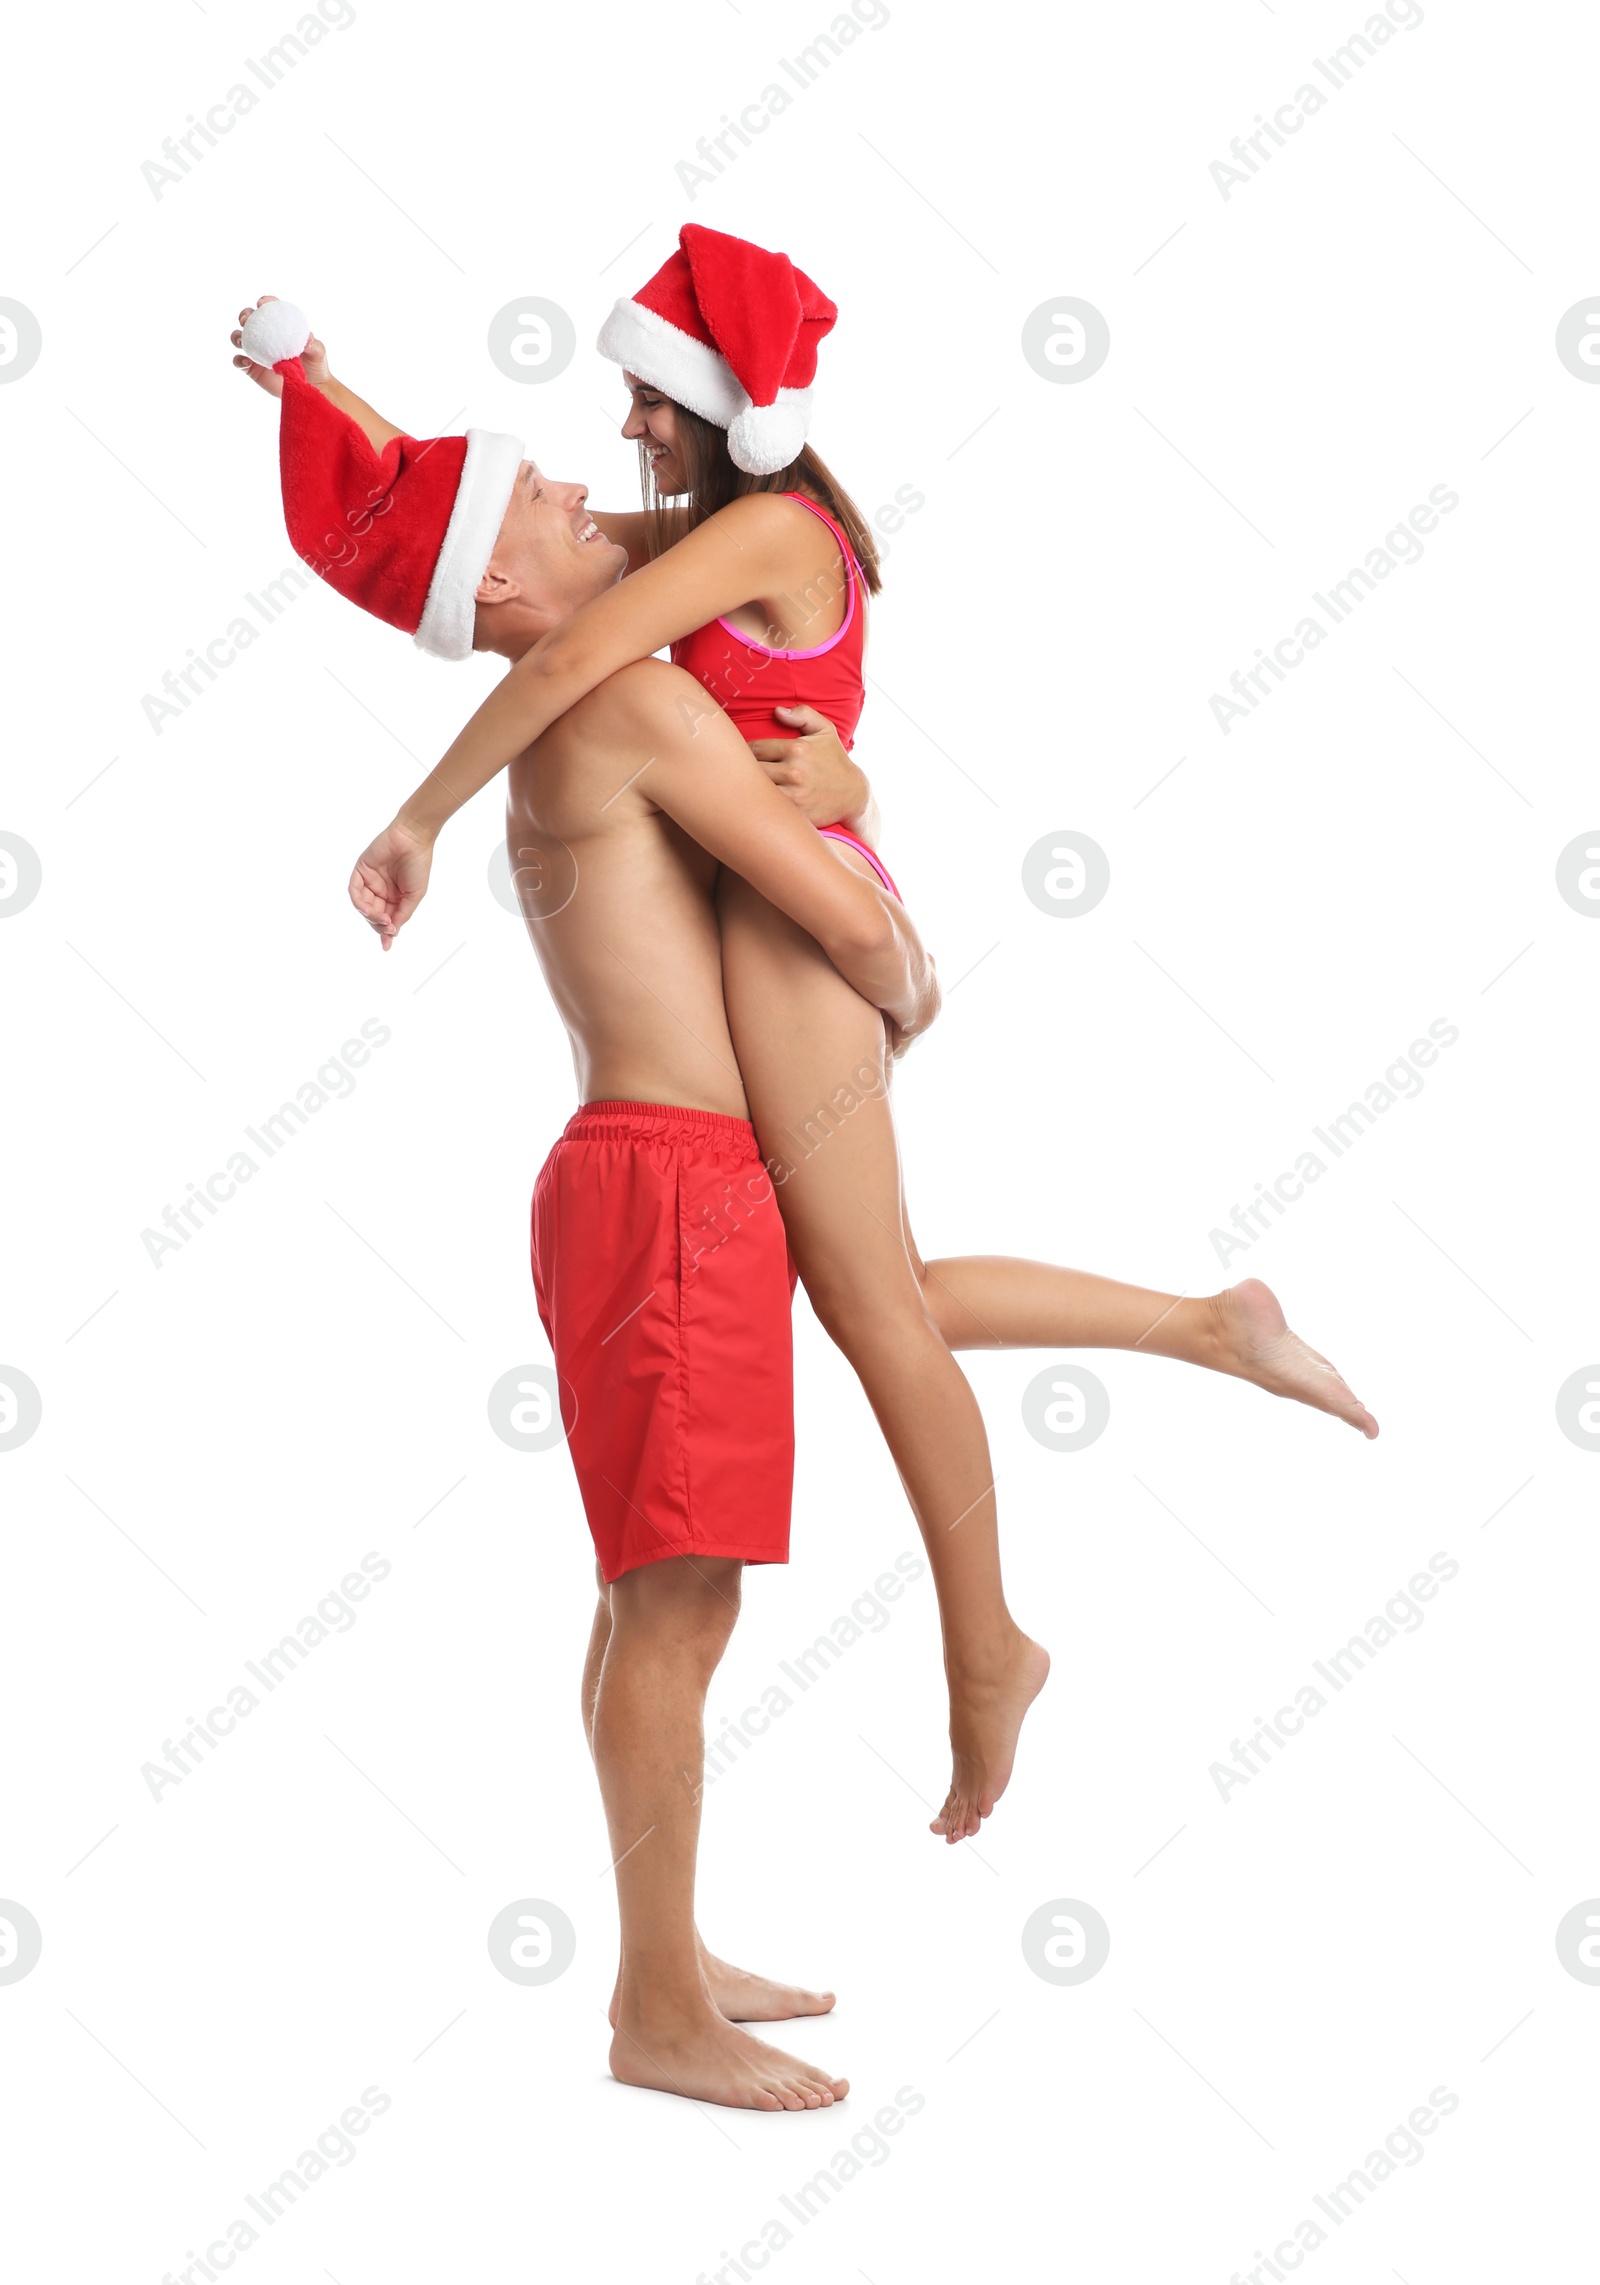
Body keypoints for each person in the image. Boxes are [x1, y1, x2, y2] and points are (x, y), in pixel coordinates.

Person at [275, 226, 1378, 1848]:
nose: (619, 448)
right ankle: (1208, 1324)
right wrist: (314, 380)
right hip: (787, 906)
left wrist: (419, 815)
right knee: (883, 1285)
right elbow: (462, 539)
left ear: (713, 405)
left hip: (799, 929)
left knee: (873, 1313)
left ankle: (987, 1643)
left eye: (645, 407)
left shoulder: (760, 528)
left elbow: (560, 620)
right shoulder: (723, 525)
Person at [233, 296, 947, 2109]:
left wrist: (325, 386)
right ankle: (652, 2009)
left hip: (644, 1187)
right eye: (541, 508)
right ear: (513, 599)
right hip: (675, 1194)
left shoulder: (595, 684)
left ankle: (668, 1948)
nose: (573, 479)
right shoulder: (619, 698)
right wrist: (911, 971)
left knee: (650, 1601)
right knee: (680, 1603)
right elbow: (841, 914)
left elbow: (443, 525)